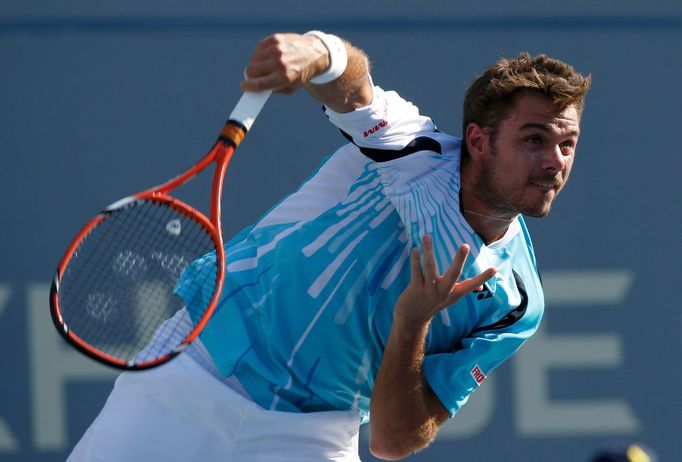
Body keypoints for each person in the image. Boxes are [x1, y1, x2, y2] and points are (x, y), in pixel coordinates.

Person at [68, 31, 590, 461]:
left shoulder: (517, 304)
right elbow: (354, 87)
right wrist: (316, 52)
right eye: (535, 139)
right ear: (478, 141)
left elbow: (392, 440)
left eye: (567, 144)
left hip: (312, 435)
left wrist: (412, 322)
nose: (554, 162)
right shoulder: (414, 150)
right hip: (195, 369)